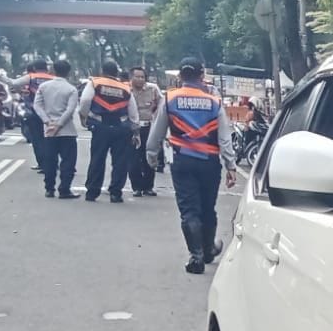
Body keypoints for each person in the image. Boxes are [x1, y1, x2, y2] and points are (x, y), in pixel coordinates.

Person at [145, 62, 237, 274]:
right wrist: (230, 165)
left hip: (182, 161)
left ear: (180, 75)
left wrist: (151, 155)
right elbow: (224, 137)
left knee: (189, 210)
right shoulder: (215, 101)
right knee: (207, 207)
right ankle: (208, 249)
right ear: (202, 75)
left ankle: (195, 256)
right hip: (209, 162)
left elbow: (157, 131)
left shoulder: (171, 98)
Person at [78, 61, 140, 203]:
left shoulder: (95, 83)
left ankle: (92, 192)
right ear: (116, 72)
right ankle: (116, 193)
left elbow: (85, 101)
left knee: (97, 159)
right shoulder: (125, 87)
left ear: (102, 70)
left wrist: (84, 117)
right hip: (121, 126)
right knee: (120, 162)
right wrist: (135, 130)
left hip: (101, 126)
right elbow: (133, 111)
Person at [33, 60, 82, 199]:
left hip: (49, 131)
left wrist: (48, 122)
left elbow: (37, 106)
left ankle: (49, 189)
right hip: (67, 130)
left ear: (53, 70)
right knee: (68, 161)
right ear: (69, 72)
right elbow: (70, 109)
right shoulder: (71, 89)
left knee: (50, 161)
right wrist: (59, 124)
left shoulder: (43, 86)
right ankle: (64, 189)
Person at [10, 60, 57, 171]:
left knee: (37, 139)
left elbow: (14, 83)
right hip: (51, 113)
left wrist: (0, 77)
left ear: (35, 68)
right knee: (51, 139)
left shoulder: (31, 77)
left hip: (34, 112)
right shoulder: (53, 78)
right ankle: (53, 163)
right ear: (47, 68)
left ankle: (42, 164)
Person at [128, 66, 163, 197]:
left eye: (142, 77)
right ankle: (136, 187)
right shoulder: (127, 90)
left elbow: (162, 105)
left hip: (149, 127)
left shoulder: (153, 89)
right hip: (132, 129)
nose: (140, 79)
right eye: (137, 77)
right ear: (131, 78)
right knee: (133, 159)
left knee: (149, 157)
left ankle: (148, 186)